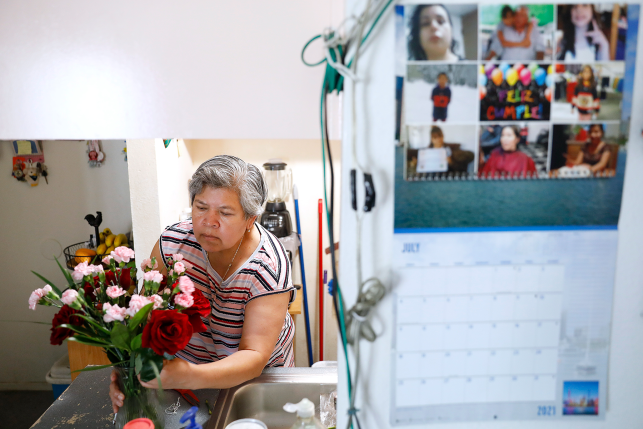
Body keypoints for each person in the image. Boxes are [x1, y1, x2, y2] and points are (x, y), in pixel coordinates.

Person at [109, 155, 296, 412]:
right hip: (184, 380)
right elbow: (144, 319)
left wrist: (189, 375)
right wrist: (125, 372)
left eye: (225, 212)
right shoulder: (172, 245)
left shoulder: (267, 267)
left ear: (251, 219)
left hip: (256, 384)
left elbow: (254, 356)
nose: (209, 221)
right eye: (201, 207)